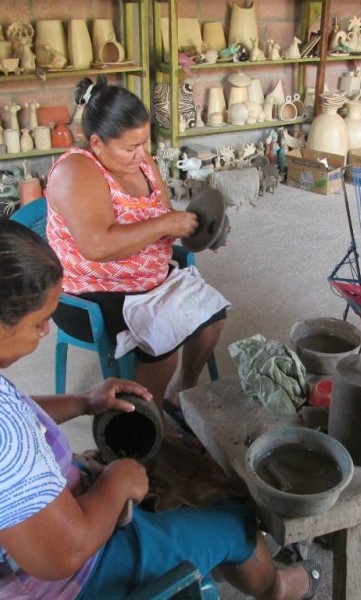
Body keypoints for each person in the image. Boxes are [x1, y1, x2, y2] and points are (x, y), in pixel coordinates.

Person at [0, 217, 319, 599]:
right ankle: (278, 588)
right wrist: (117, 484)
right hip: (42, 582)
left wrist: (82, 402)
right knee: (232, 515)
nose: (45, 334)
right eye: (38, 324)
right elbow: (60, 556)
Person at [46, 76, 226, 418]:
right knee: (164, 345)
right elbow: (96, 245)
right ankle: (149, 419)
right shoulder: (77, 171)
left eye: (144, 143)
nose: (142, 154)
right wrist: (165, 224)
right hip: (90, 294)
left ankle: (180, 392)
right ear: (97, 143)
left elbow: (164, 217)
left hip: (150, 279)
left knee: (212, 318)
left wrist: (202, 231)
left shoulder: (142, 162)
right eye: (130, 147)